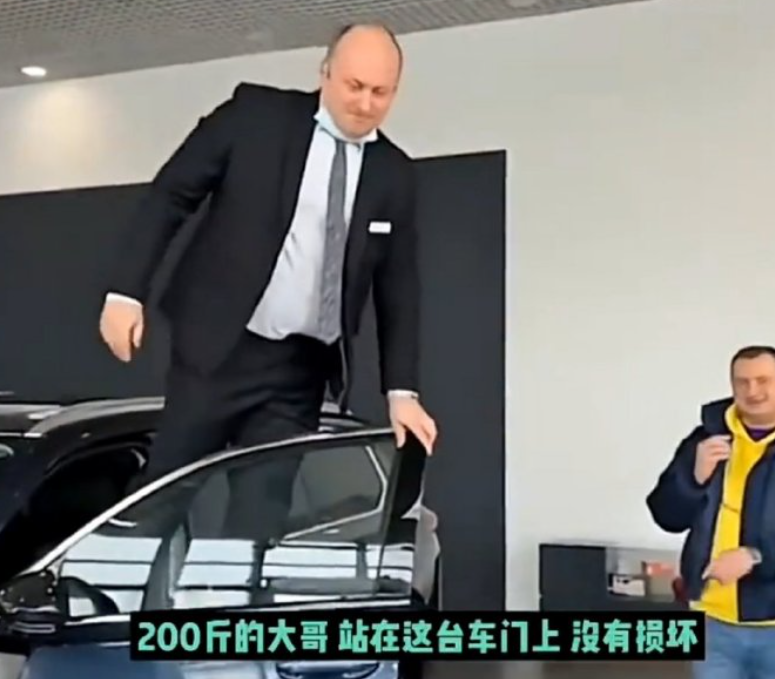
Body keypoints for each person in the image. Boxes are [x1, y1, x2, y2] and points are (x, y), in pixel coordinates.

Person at [98, 23, 438, 537]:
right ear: (325, 73)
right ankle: (120, 585)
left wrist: (402, 392)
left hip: (299, 371)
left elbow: (399, 286)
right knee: (163, 497)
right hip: (219, 351)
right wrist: (126, 292)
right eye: (354, 86)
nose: (365, 104)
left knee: (261, 519)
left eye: (380, 92)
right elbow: (172, 194)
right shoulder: (255, 117)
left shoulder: (394, 173)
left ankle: (236, 589)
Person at [646, 345, 775, 678]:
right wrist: (693, 479)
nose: (753, 391)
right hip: (712, 622)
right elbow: (667, 517)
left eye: (764, 380)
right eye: (742, 382)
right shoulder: (705, 440)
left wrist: (757, 557)